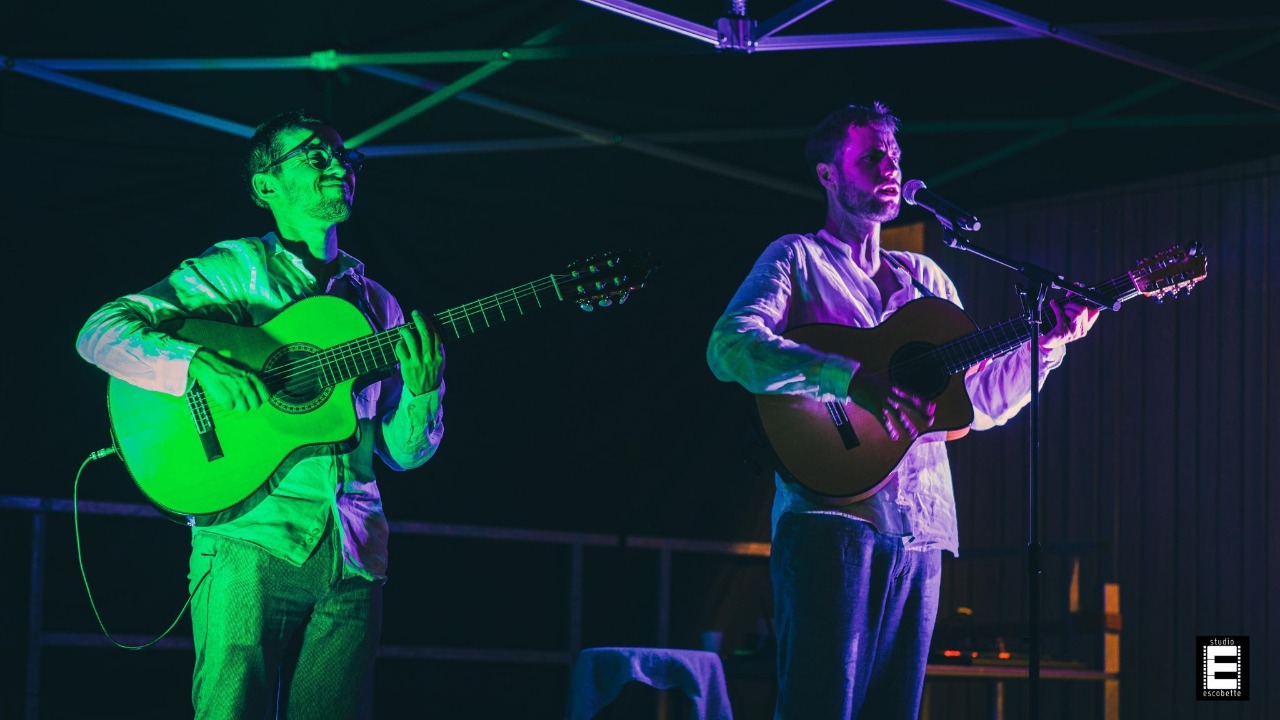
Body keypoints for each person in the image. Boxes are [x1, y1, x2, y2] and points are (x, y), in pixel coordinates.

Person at [705, 102, 1099, 719]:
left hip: (923, 525)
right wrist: (846, 378)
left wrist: (1047, 345)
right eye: (870, 156)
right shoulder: (796, 258)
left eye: (894, 155)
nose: (889, 166)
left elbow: (982, 403)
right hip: (830, 516)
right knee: (818, 705)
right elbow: (729, 347)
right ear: (828, 175)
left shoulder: (927, 279)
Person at [76, 110, 445, 719]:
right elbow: (99, 332)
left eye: (343, 156)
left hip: (354, 551)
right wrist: (195, 362)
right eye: (315, 156)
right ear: (266, 185)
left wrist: (424, 392)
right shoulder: (233, 272)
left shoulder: (380, 304)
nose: (339, 167)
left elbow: (402, 453)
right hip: (249, 537)